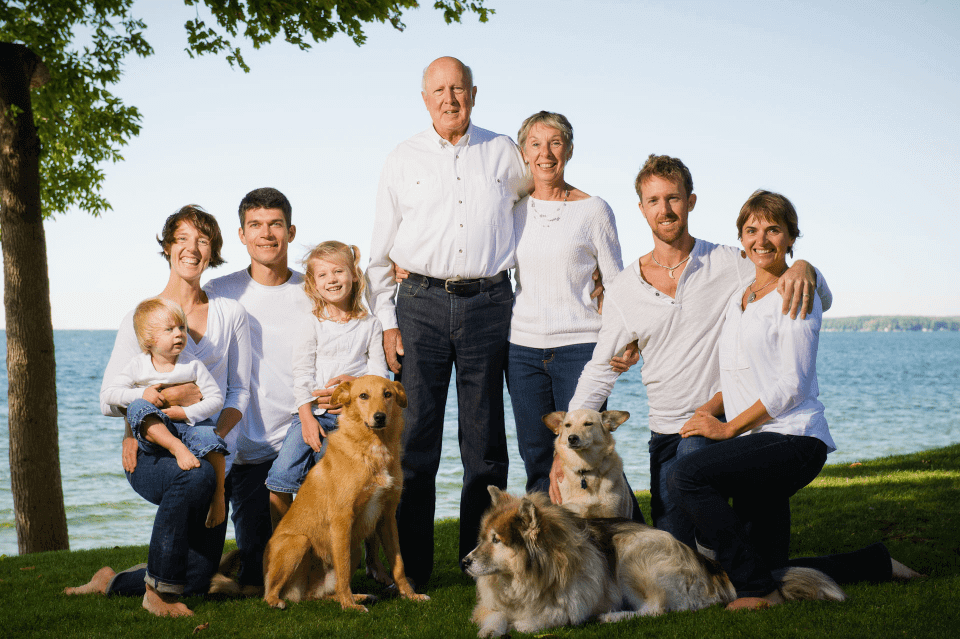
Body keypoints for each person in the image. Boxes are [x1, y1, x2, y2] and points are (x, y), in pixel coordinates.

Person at [565, 155, 832, 551]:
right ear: (642, 209)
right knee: (674, 549)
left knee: (703, 540)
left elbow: (815, 297)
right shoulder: (624, 289)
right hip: (665, 429)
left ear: (690, 201)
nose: (665, 209)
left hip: (719, 421)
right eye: (654, 201)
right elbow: (600, 369)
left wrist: (806, 267)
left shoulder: (732, 263)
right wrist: (566, 438)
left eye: (673, 198)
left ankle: (741, 564)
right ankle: (744, 561)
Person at [669, 190, 918, 605]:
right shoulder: (741, 297)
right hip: (758, 441)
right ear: (741, 237)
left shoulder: (796, 290)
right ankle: (876, 564)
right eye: (751, 230)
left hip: (795, 438)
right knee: (766, 561)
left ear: (790, 237)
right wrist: (708, 410)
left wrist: (728, 427)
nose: (761, 239)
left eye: (773, 229)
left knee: (686, 476)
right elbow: (740, 377)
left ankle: (757, 591)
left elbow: (793, 385)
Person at [366, 56, 526, 586]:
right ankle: (407, 568)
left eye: (458, 88)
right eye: (439, 89)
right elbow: (378, 255)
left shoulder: (504, 151)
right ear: (425, 98)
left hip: (488, 305)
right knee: (414, 448)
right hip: (420, 306)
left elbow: (534, 219)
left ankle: (482, 565)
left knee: (484, 447)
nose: (449, 98)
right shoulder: (401, 157)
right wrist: (388, 322)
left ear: (474, 94)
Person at [67, 206, 251, 617]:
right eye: (182, 239)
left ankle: (111, 581)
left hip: (212, 452)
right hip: (153, 455)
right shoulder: (144, 319)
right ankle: (158, 597)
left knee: (199, 578)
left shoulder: (230, 314)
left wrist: (212, 442)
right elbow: (107, 397)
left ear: (213, 252)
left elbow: (238, 392)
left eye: (202, 240)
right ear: (168, 248)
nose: (192, 248)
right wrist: (160, 405)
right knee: (195, 473)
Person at [505, 110, 631, 500]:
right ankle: (549, 555)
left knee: (587, 459)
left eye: (555, 143)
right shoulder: (511, 210)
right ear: (524, 152)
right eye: (536, 144)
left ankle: (614, 545)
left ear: (570, 150)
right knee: (537, 459)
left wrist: (628, 337)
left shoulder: (594, 210)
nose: (546, 153)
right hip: (522, 352)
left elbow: (616, 283)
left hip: (581, 348)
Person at [204, 187, 313, 592]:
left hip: (307, 438)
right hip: (249, 451)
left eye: (275, 225)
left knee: (311, 563)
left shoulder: (313, 290)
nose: (266, 234)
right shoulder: (221, 292)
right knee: (261, 578)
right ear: (242, 234)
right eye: (256, 226)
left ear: (291, 230)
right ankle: (238, 559)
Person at [265, 241, 389, 509]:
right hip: (313, 416)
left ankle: (339, 548)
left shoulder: (370, 325)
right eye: (322, 275)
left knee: (336, 486)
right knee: (279, 479)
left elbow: (379, 374)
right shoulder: (312, 324)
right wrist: (306, 417)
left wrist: (354, 384)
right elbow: (302, 373)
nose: (331, 280)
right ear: (313, 284)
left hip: (352, 421)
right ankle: (283, 546)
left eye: (338, 272)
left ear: (353, 276)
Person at [102, 297, 229, 528]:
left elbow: (216, 399)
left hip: (190, 423)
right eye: (169, 329)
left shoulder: (192, 364)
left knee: (213, 442)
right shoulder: (138, 365)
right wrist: (142, 394)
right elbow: (109, 394)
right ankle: (177, 448)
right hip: (159, 433)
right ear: (149, 340)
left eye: (182, 327)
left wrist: (187, 413)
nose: (179, 334)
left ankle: (218, 495)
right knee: (138, 408)